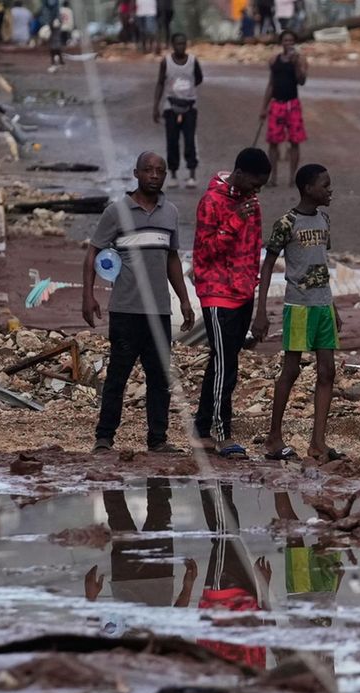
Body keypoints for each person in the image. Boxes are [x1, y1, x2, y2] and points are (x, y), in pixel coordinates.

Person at [84, 152, 195, 454]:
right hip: (125, 309)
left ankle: (157, 439)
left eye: (160, 170)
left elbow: (172, 258)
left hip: (159, 310)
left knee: (159, 378)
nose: (154, 175)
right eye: (148, 170)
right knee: (118, 377)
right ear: (136, 173)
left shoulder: (169, 212)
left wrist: (184, 300)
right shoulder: (117, 212)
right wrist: (88, 295)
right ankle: (104, 437)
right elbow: (93, 253)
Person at [253, 164, 340, 463]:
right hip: (299, 307)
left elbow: (321, 266)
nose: (330, 190)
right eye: (325, 185)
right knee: (291, 369)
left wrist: (334, 306)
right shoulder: (286, 223)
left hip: (323, 305)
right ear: (308, 189)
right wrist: (261, 310)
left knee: (328, 371)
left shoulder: (325, 220)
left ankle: (318, 442)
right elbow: (267, 266)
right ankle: (273, 437)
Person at [192, 148, 273, 459]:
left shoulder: (252, 202)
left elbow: (253, 249)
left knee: (223, 362)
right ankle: (222, 433)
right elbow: (205, 252)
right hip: (216, 293)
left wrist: (252, 290)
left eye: (261, 186)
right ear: (238, 174)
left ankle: (202, 430)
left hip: (242, 293)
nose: (257, 191)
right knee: (226, 365)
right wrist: (234, 221)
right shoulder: (211, 202)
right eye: (254, 183)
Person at [153, 33, 203, 189]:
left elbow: (199, 78)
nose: (181, 46)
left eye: (183, 43)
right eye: (177, 44)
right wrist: (156, 106)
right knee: (172, 141)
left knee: (190, 140)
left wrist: (187, 89)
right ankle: (173, 174)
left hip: (189, 107)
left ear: (186, 45)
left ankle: (192, 174)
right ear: (172, 45)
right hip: (171, 107)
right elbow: (160, 83)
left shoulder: (193, 61)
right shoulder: (166, 62)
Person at [260, 30, 307, 189]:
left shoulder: (300, 59)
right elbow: (271, 84)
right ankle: (273, 178)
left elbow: (302, 81)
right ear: (281, 42)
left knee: (294, 141)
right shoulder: (274, 60)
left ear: (294, 42)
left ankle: (292, 178)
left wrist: (296, 65)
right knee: (273, 142)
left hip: (292, 105)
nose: (288, 43)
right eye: (285, 40)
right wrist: (264, 107)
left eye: (291, 40)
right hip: (277, 104)